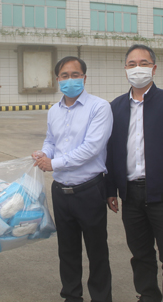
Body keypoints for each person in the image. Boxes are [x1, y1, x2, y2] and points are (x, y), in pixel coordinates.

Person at [106, 44, 163, 302]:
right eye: (132, 64)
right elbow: (110, 152)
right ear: (125, 69)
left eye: (144, 63)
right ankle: (148, 295)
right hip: (130, 194)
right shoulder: (116, 107)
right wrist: (111, 190)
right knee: (140, 254)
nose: (138, 69)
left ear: (154, 68)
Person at [32, 56, 113, 302]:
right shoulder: (54, 111)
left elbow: (92, 148)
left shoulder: (99, 107)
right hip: (61, 192)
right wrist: (44, 154)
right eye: (64, 76)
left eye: (75, 75)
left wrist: (53, 163)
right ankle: (71, 296)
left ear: (84, 78)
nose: (70, 80)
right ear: (57, 80)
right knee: (67, 250)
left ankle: (101, 298)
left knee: (97, 251)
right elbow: (51, 141)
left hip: (89, 191)